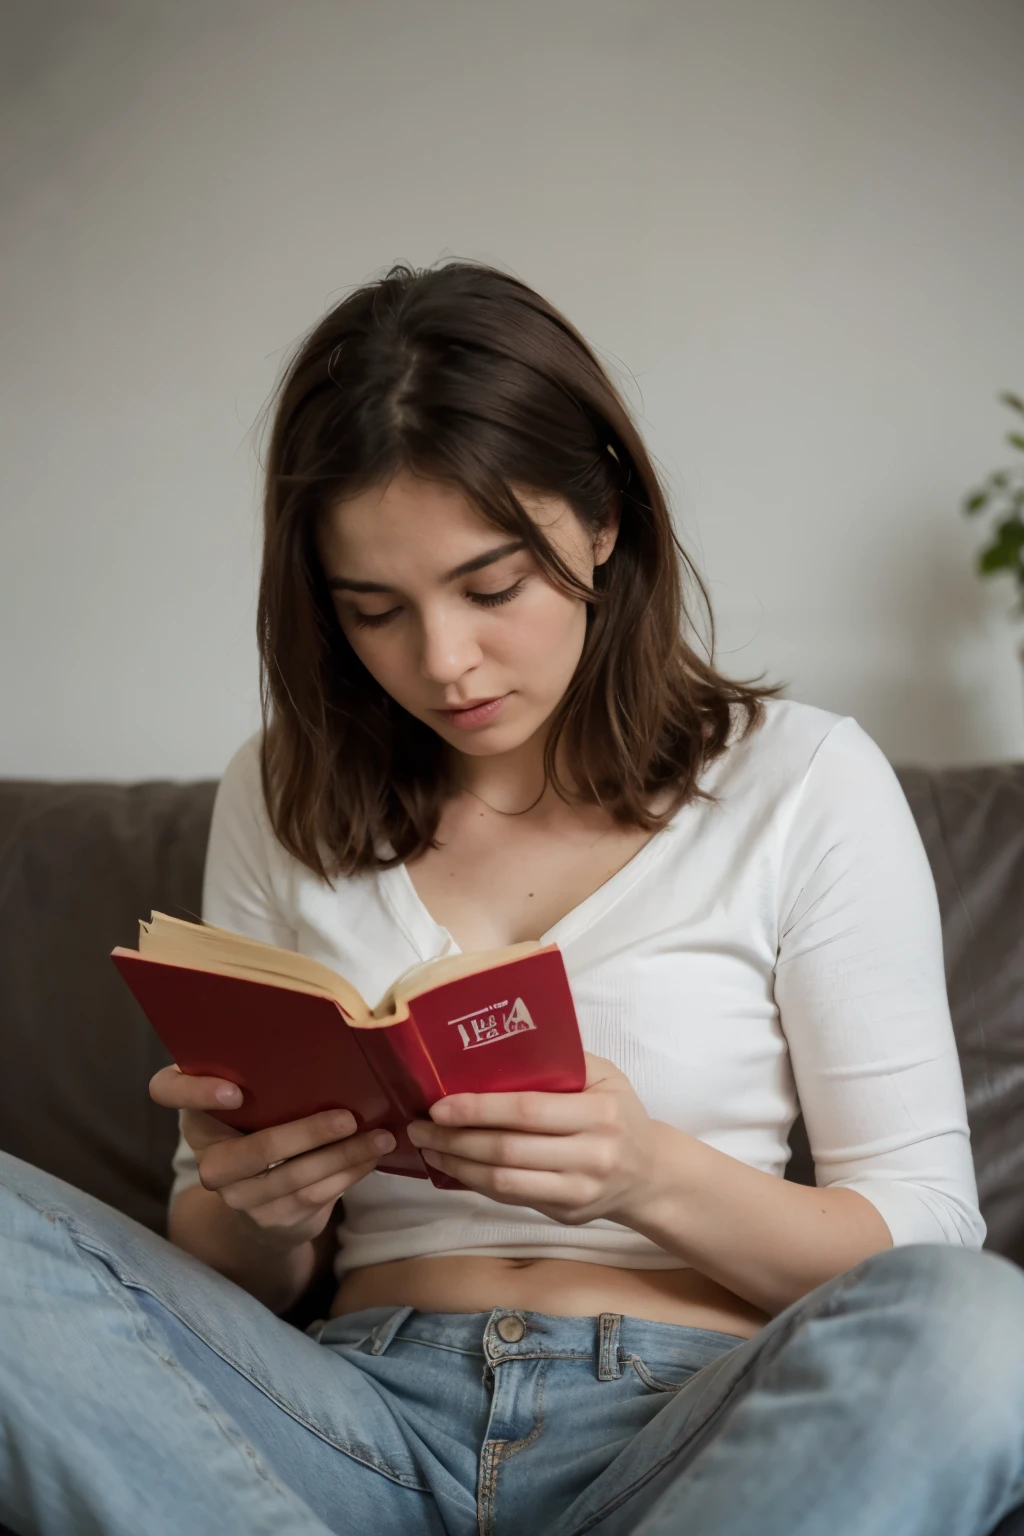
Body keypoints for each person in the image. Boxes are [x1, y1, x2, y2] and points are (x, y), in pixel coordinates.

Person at [2, 260, 1023, 1536]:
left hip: (688, 1438)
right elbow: (233, 1272)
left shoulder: (803, 779)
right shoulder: (280, 790)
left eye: (492, 589)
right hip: (346, 1423)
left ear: (603, 522)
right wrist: (260, 1203)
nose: (442, 662)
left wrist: (645, 1173)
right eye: (374, 612)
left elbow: (924, 1234)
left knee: (983, 1324)